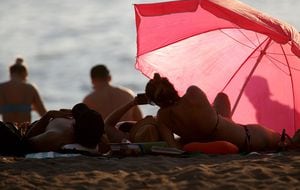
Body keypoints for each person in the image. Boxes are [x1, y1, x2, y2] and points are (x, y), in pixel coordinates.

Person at [143, 73, 300, 152]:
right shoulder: (193, 93)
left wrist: (191, 141)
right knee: (291, 141)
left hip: (238, 137)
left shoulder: (162, 117)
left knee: (222, 98)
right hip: (248, 136)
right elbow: (207, 116)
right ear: (170, 86)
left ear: (154, 101)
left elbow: (173, 147)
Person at [23, 103, 107, 153]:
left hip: (48, 124)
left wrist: (48, 115)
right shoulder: (57, 135)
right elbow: (27, 141)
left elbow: (26, 141)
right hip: (43, 124)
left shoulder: (57, 136)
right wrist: (48, 115)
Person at [0, 58, 47, 134]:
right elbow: (44, 115)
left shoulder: (1, 88)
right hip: (24, 132)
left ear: (11, 73)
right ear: (24, 74)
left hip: (7, 133)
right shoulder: (30, 88)